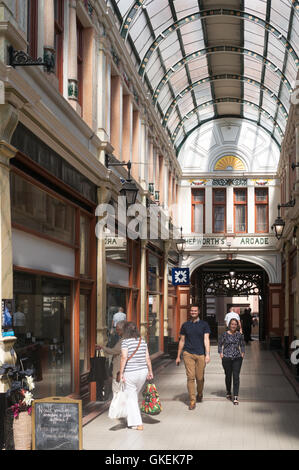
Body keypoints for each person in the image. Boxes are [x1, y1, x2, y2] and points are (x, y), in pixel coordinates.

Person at [176, 304, 211, 410]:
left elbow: (206, 340)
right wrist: (178, 356)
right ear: (190, 312)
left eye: (195, 311)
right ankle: (192, 400)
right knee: (190, 377)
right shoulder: (185, 325)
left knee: (200, 378)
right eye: (191, 311)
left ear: (198, 312)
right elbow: (182, 341)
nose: (193, 312)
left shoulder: (204, 325)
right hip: (188, 353)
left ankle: (199, 393)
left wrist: (207, 354)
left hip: (200, 354)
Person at [119, 322, 153, 430]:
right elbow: (147, 357)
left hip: (130, 372)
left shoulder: (125, 342)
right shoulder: (142, 341)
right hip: (142, 372)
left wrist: (121, 373)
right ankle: (132, 419)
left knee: (132, 398)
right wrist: (150, 371)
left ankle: (137, 423)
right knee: (133, 396)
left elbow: (124, 358)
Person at [218, 318, 245, 405]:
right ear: (229, 325)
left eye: (235, 324)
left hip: (237, 358)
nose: (233, 326)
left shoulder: (240, 335)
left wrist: (242, 353)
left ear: (237, 326)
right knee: (228, 376)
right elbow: (219, 345)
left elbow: (242, 345)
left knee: (236, 377)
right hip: (226, 358)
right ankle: (228, 391)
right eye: (232, 324)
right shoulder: (224, 334)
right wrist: (221, 353)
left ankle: (236, 396)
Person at [96, 320, 126, 396]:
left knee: (117, 393)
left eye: (118, 330)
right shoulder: (125, 339)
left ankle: (116, 407)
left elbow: (114, 351)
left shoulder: (123, 341)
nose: (117, 331)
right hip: (122, 371)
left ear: (122, 330)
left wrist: (102, 347)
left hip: (119, 371)